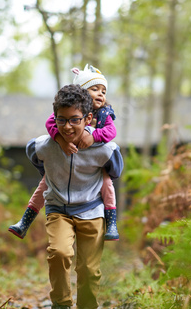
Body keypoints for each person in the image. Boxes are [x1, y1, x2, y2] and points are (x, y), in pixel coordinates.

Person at [24, 84, 124, 309]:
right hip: (58, 208)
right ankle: (61, 304)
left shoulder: (104, 149)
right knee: (59, 253)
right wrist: (50, 172)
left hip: (92, 210)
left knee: (89, 269)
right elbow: (32, 152)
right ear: (55, 118)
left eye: (74, 120)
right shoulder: (47, 144)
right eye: (61, 120)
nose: (67, 127)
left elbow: (116, 168)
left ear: (88, 119)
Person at [9, 64, 120, 241]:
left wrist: (94, 137)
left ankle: (112, 221)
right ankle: (25, 220)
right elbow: (50, 124)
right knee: (45, 184)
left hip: (93, 165)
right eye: (95, 89)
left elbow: (111, 132)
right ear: (82, 92)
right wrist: (61, 141)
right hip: (63, 164)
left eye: (103, 91)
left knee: (107, 184)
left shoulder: (104, 113)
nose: (101, 94)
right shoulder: (66, 110)